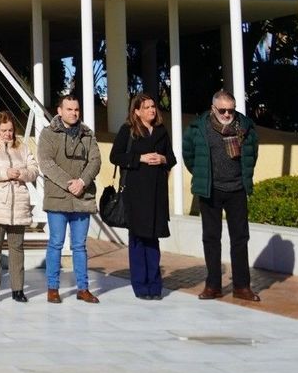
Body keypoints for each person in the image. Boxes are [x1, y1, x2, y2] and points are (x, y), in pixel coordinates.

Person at [181, 90, 261, 302]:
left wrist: (244, 177)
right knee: (211, 238)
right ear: (213, 108)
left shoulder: (245, 127)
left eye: (231, 110)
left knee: (240, 238)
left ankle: (242, 286)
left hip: (236, 190)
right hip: (210, 190)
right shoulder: (198, 128)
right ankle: (213, 285)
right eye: (223, 110)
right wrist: (202, 174)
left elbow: (252, 153)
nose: (227, 114)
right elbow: (189, 155)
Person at [110, 93, 175, 300]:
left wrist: (162, 158)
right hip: (135, 195)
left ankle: (155, 285)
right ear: (136, 111)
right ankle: (140, 286)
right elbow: (115, 156)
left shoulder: (161, 131)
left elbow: (172, 158)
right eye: (146, 107)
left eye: (153, 107)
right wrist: (140, 158)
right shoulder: (127, 131)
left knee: (153, 240)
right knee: (138, 240)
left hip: (156, 194)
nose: (152, 110)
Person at [37, 93, 100, 304]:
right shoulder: (48, 134)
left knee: (80, 246)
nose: (74, 113)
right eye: (70, 109)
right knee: (56, 243)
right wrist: (69, 183)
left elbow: (95, 161)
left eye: (76, 109)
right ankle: (52, 288)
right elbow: (46, 163)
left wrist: (82, 182)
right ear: (60, 111)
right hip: (57, 198)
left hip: (82, 197)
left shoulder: (87, 134)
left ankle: (83, 288)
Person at [0, 111, 34, 303]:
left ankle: (17, 289)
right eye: (4, 130)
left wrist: (22, 174)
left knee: (17, 247)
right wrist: (5, 173)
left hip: (18, 205)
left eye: (10, 130)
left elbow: (34, 170)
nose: (8, 134)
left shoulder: (24, 148)